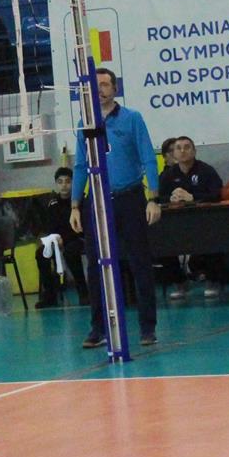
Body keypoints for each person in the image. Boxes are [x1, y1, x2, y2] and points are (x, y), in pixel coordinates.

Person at [69, 67, 162, 347]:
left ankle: (147, 327)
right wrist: (75, 205)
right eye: (95, 85)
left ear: (114, 88)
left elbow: (148, 158)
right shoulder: (85, 124)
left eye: (105, 84)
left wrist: (153, 198)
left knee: (139, 262)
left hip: (129, 198)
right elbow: (80, 166)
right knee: (95, 266)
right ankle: (97, 329)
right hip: (96, 200)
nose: (100, 90)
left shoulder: (132, 118)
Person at [156, 136, 225, 299]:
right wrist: (171, 199)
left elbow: (217, 194)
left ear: (194, 151)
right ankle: (180, 282)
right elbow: (158, 198)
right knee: (159, 241)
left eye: (187, 147)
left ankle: (213, 280)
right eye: (178, 148)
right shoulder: (167, 175)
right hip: (176, 223)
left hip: (204, 221)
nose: (182, 151)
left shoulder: (206, 171)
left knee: (215, 237)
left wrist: (192, 197)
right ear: (173, 154)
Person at [35, 167, 89, 309]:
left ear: (73, 183)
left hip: (78, 239)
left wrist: (64, 239)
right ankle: (50, 295)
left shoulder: (81, 201)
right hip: (57, 240)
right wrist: (53, 239)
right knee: (41, 253)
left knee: (71, 251)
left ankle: (83, 292)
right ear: (56, 184)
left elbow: (81, 228)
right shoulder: (52, 204)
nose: (64, 185)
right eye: (60, 182)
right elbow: (50, 226)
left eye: (67, 181)